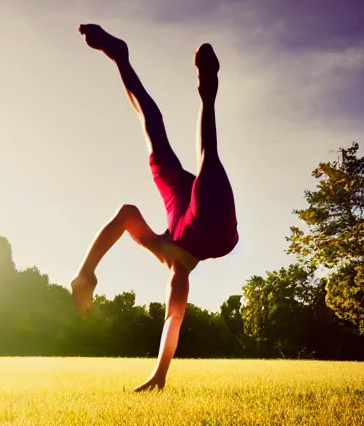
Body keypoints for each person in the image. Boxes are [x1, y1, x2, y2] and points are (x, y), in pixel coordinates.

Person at [70, 24, 239, 391]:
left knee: (152, 125)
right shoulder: (179, 269)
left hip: (177, 208)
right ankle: (207, 94)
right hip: (210, 230)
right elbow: (172, 319)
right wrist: (159, 374)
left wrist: (87, 272)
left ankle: (120, 57)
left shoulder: (158, 245)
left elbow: (127, 214)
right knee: (209, 158)